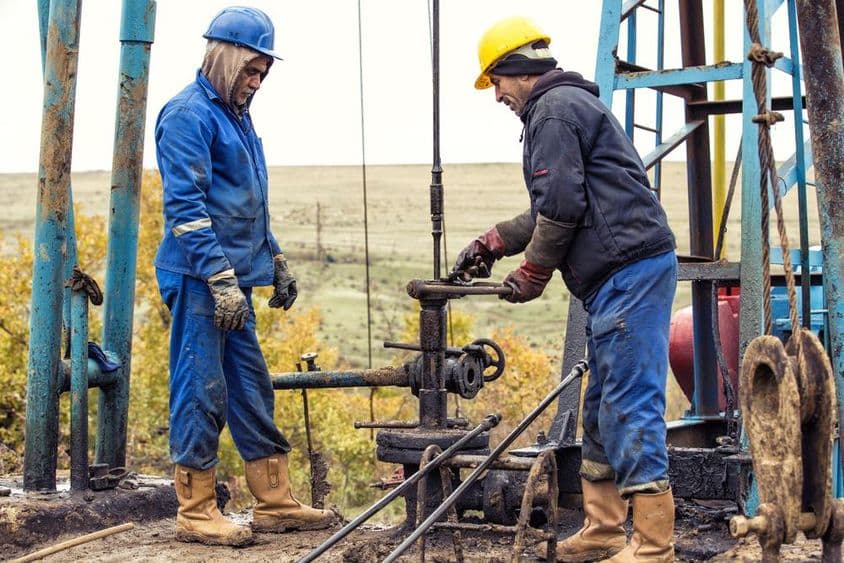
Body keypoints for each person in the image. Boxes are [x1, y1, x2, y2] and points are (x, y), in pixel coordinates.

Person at [453, 16, 679, 562]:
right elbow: (551, 207)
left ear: (515, 68)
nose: (497, 96)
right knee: (602, 404)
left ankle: (654, 546)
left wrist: (532, 272)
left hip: (629, 273)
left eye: (496, 83)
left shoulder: (552, 111)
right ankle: (604, 527)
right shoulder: (562, 107)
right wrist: (494, 242)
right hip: (616, 278)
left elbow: (562, 208)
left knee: (629, 402)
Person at [154, 6, 336, 546]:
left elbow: (245, 205)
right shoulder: (188, 114)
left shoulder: (237, 114)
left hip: (230, 279)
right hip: (198, 277)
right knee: (201, 388)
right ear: (225, 57)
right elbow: (185, 208)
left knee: (250, 388)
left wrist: (273, 257)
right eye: (251, 70)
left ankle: (274, 502)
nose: (256, 82)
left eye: (263, 73)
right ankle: (195, 509)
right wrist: (219, 278)